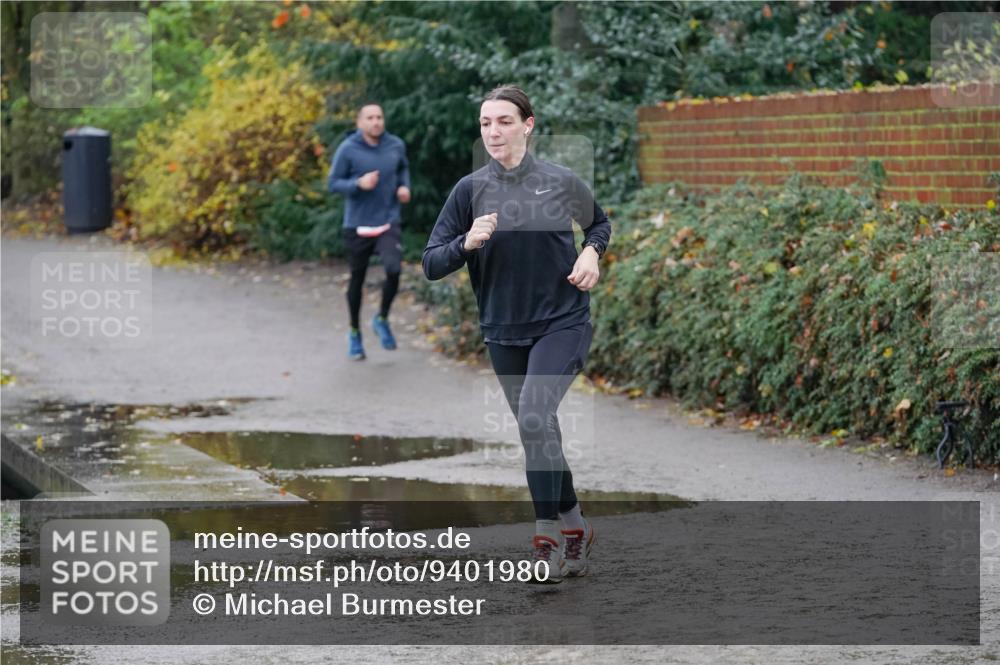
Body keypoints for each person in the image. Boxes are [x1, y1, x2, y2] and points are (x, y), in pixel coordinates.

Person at [422, 85, 611, 583]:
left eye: (504, 121)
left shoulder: (559, 180)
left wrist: (591, 253)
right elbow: (431, 262)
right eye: (485, 123)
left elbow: (599, 224)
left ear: (528, 125)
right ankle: (576, 526)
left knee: (532, 415)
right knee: (538, 428)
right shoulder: (469, 191)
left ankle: (546, 540)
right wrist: (466, 243)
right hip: (503, 330)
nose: (493, 131)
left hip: (562, 321)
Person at [327, 103, 411, 360]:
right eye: (370, 118)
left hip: (387, 220)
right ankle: (354, 333)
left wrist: (404, 187)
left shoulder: (395, 145)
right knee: (357, 279)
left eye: (379, 117)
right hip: (358, 225)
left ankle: (381, 318)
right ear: (359, 122)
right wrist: (358, 183)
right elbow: (333, 183)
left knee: (394, 270)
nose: (376, 122)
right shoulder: (348, 149)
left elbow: (403, 169)